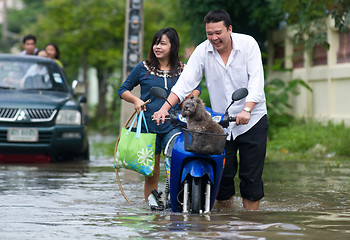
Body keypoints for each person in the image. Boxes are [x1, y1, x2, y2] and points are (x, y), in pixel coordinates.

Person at [153, 10, 268, 210]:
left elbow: (256, 83)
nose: (214, 38)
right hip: (219, 124)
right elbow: (184, 84)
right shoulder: (202, 51)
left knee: (251, 179)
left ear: (229, 29)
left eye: (218, 32)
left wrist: (247, 109)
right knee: (222, 179)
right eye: (209, 33)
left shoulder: (249, 45)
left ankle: (251, 226)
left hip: (252, 119)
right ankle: (223, 226)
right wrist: (164, 108)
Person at [118, 27, 201, 202]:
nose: (158, 47)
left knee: (177, 169)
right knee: (151, 174)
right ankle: (152, 212)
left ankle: (177, 206)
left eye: (162, 43)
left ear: (173, 46)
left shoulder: (183, 69)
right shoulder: (143, 68)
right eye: (156, 43)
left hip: (175, 126)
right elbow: (123, 90)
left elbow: (196, 89)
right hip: (148, 128)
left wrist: (188, 100)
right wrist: (135, 100)